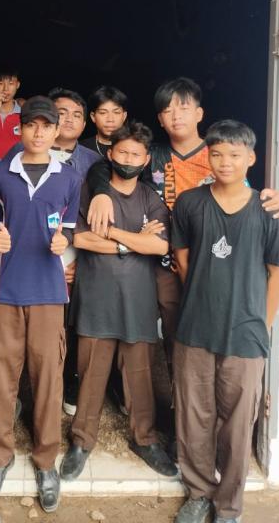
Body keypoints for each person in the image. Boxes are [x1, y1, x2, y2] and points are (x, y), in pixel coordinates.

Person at [86, 77, 279, 371]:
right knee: (167, 335)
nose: (175, 116)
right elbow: (104, 165)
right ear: (160, 119)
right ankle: (171, 391)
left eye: (183, 107)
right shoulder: (153, 155)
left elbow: (246, 195)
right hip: (160, 261)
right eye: (167, 110)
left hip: (210, 262)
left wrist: (276, 199)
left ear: (199, 113)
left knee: (206, 340)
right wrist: (102, 192)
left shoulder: (220, 152)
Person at [171, 120, 279, 523]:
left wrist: (263, 325)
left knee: (238, 424)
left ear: (250, 158)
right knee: (193, 415)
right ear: (208, 155)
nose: (225, 162)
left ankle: (228, 505)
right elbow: (182, 259)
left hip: (246, 334)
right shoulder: (190, 203)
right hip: (194, 328)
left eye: (235, 155)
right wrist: (205, 295)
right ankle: (198, 493)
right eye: (217, 153)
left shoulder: (268, 210)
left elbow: (277, 272)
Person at [0, 96, 82, 514]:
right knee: (1, 377)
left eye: (46, 126)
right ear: (20, 128)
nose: (38, 133)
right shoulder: (0, 174)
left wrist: (64, 242)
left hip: (49, 292)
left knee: (48, 378)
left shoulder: (68, 178)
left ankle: (45, 461)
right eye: (32, 125)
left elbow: (68, 230)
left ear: (56, 131)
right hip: (6, 290)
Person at [60, 121, 177, 482]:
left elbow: (159, 245)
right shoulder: (90, 192)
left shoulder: (150, 199)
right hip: (96, 296)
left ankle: (145, 439)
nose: (127, 159)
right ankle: (82, 441)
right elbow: (81, 239)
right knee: (90, 372)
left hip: (138, 300)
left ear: (145, 161)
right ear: (110, 154)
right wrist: (133, 242)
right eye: (122, 152)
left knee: (139, 374)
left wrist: (110, 232)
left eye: (135, 155)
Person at [80, 85, 128, 159]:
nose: (110, 119)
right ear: (93, 117)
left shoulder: (135, 147)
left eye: (116, 112)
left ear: (124, 116)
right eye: (103, 113)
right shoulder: (81, 148)